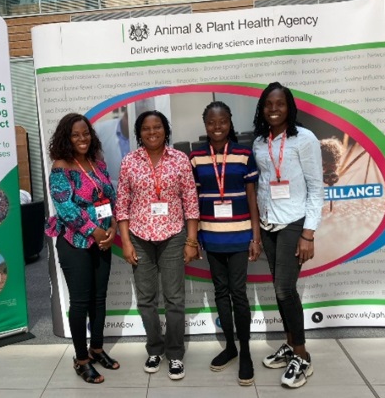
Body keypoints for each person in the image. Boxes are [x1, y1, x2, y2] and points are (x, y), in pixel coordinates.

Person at [115, 110, 199, 381]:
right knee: (146, 300)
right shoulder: (129, 161)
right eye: (147, 128)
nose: (152, 132)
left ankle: (175, 354)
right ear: (139, 133)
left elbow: (191, 202)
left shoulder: (180, 159)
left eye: (158, 127)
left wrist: (191, 240)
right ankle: (154, 348)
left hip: (174, 236)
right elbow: (122, 205)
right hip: (139, 238)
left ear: (166, 130)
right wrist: (126, 242)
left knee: (174, 300)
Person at [251, 82, 324, 389]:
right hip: (269, 224)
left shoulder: (304, 139)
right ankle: (290, 343)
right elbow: (264, 185)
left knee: (284, 290)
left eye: (280, 104)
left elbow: (316, 188)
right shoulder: (259, 142)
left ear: (290, 106)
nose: (274, 109)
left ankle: (302, 355)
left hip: (294, 222)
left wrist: (308, 234)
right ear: (262, 108)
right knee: (281, 289)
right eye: (268, 104)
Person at [189, 101, 261, 386]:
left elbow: (252, 197)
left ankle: (245, 353)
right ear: (204, 124)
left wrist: (256, 236)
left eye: (222, 122)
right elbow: (193, 201)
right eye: (211, 122)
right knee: (220, 292)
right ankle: (230, 346)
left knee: (238, 294)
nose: (217, 127)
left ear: (230, 122)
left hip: (241, 233)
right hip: (211, 235)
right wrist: (194, 239)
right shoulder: (195, 157)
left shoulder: (244, 154)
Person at [45, 112, 119, 384]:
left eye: (85, 133)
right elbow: (65, 208)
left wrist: (111, 229)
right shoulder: (60, 167)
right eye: (75, 134)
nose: (82, 138)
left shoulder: (97, 164)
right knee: (80, 302)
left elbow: (109, 197)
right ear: (66, 137)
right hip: (75, 243)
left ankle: (96, 349)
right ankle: (81, 359)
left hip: (103, 239)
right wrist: (95, 231)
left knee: (99, 298)